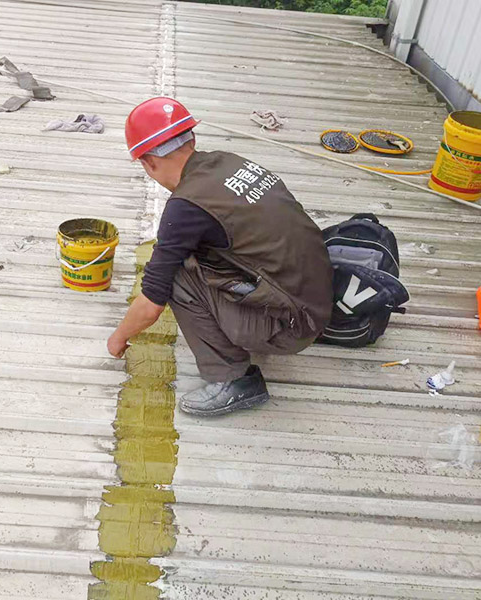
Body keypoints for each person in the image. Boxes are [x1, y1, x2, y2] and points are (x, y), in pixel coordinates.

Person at [107, 97, 333, 416]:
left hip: (291, 324)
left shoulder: (186, 207)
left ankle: (234, 379)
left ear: (148, 162)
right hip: (318, 300)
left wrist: (118, 338)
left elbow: (151, 304)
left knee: (176, 274)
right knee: (188, 254)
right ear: (192, 139)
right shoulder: (227, 162)